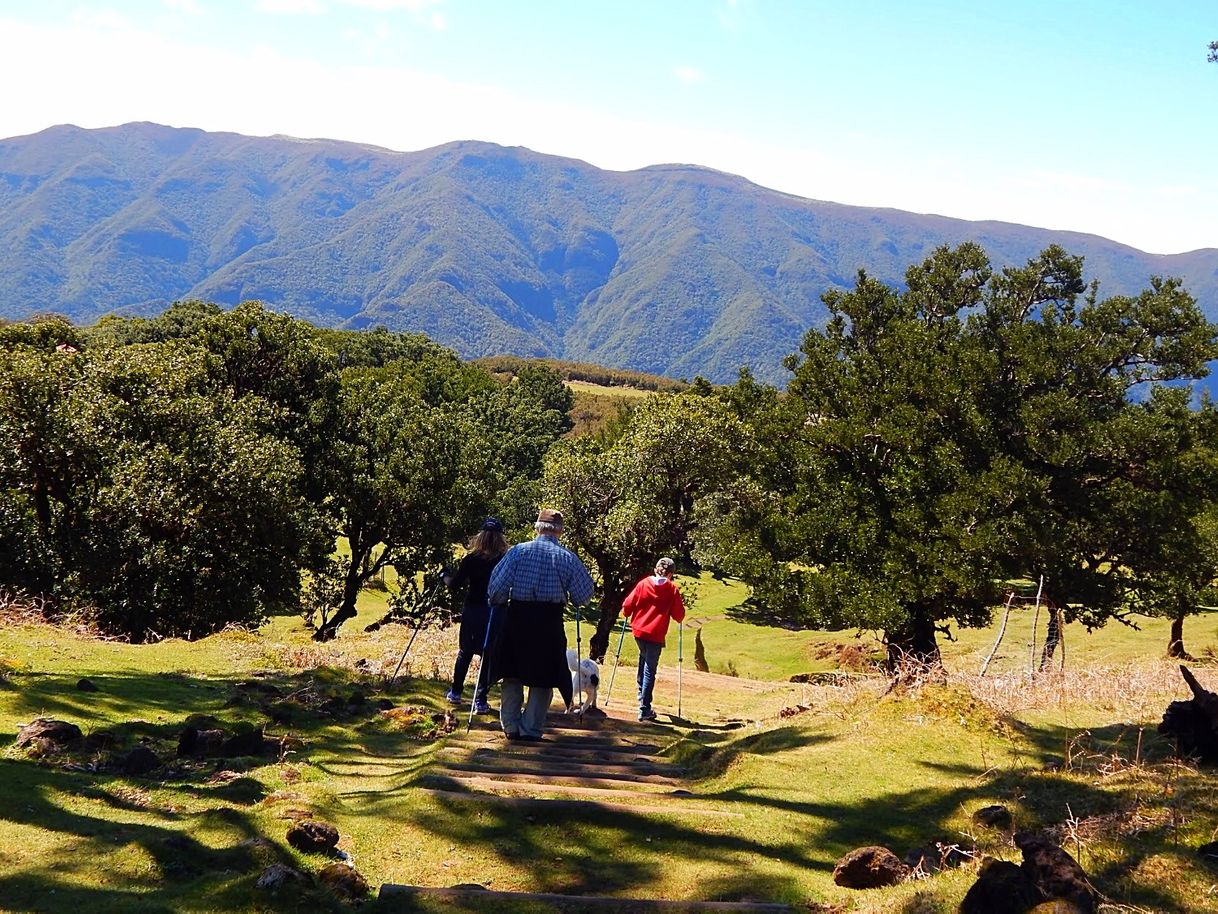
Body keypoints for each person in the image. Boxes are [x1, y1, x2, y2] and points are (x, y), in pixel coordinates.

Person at [486, 508, 595, 741]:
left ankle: (511, 726)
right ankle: (530, 729)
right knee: (543, 677)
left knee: (511, 673)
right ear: (560, 531)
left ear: (537, 527)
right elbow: (583, 596)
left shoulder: (518, 552)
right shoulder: (567, 558)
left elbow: (496, 589)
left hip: (517, 618)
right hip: (548, 622)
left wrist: (498, 601)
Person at [443, 518, 509, 713]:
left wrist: (444, 576)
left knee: (465, 651)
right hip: (495, 610)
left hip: (473, 610)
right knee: (487, 654)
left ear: (480, 536)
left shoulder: (471, 559)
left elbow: (454, 585)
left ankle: (456, 692)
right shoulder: (503, 560)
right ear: (500, 538)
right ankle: (480, 699)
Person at [622, 556, 686, 722]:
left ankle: (640, 692)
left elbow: (627, 606)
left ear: (656, 568)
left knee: (643, 659)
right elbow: (679, 616)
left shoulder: (643, 583)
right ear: (671, 574)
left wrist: (627, 613)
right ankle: (644, 708)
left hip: (639, 631)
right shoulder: (672, 590)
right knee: (650, 668)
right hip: (655, 634)